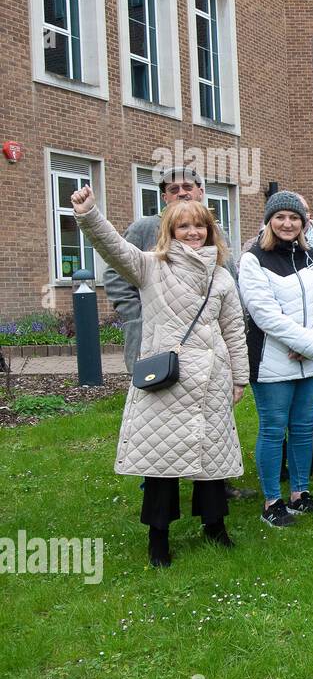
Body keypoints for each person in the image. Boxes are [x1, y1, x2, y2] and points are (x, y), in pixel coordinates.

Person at [70, 185, 247, 568]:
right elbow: (114, 248)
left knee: (211, 458)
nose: (193, 233)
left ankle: (215, 526)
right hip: (167, 378)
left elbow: (234, 329)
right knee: (160, 462)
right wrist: (89, 215)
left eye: (199, 226)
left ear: (210, 230)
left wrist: (239, 378)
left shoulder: (221, 278)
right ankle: (158, 540)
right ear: (170, 231)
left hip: (212, 379)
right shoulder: (151, 265)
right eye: (183, 226)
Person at [238, 191, 313, 528]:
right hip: (272, 359)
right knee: (272, 428)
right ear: (269, 221)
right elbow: (264, 314)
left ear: (303, 222)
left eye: (294, 218)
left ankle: (300, 494)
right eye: (280, 217)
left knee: (302, 428)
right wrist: (309, 342)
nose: (287, 223)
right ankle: (272, 501)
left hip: (310, 359)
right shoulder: (253, 259)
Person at [104, 166, 211, 372]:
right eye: (173, 189)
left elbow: (229, 282)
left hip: (203, 336)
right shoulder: (144, 229)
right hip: (154, 336)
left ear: (200, 192)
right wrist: (136, 316)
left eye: (188, 186)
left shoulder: (214, 232)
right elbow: (115, 274)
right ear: (164, 197)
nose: (181, 192)